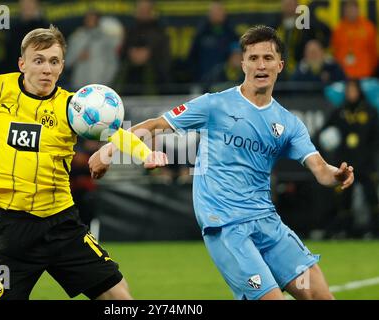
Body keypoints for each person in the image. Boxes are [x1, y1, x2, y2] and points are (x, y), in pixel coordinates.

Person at [89, 25, 355, 300]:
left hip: (268, 224)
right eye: (253, 58)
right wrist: (108, 151)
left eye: (267, 58)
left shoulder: (289, 123)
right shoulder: (215, 105)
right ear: (243, 64)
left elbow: (320, 169)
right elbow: (156, 125)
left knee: (320, 296)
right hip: (227, 227)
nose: (260, 65)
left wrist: (336, 175)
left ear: (280, 65)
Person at [0, 25, 164, 300]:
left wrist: (146, 155)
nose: (46, 69)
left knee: (118, 296)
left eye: (54, 61)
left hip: (62, 226)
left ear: (61, 67)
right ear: (22, 64)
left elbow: (118, 134)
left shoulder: (74, 108)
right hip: (15, 231)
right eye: (39, 60)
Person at [319, 79, 378, 238]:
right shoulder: (339, 112)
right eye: (348, 90)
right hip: (345, 163)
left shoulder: (370, 112)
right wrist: (327, 139)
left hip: (366, 163)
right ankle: (346, 230)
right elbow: (322, 133)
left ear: (359, 92)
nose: (351, 93)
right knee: (344, 198)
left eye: (354, 90)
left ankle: (374, 229)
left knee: (372, 197)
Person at [331, 0, 377, 79]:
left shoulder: (368, 27)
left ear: (358, 9)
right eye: (347, 9)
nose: (350, 12)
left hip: (364, 74)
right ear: (344, 11)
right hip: (344, 76)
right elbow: (335, 51)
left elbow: (373, 52)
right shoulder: (338, 29)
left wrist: (370, 70)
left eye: (352, 8)